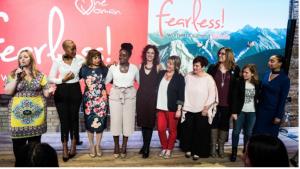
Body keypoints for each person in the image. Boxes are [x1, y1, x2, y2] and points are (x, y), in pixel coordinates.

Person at [4, 50, 54, 166]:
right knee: (18, 147)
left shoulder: (40, 75)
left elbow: (46, 94)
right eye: (20, 57)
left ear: (31, 59)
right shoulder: (13, 74)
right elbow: (8, 91)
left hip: (36, 117)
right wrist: (17, 78)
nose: (22, 59)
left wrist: (50, 91)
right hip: (18, 118)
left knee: (34, 147)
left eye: (25, 57)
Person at [48, 40, 85, 161]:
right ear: (64, 49)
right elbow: (50, 78)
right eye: (71, 49)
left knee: (74, 119)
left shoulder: (79, 59)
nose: (74, 51)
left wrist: (110, 65)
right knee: (64, 121)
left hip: (75, 91)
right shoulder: (58, 60)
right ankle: (64, 147)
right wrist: (62, 80)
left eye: (75, 48)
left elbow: (92, 63)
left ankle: (73, 146)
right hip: (61, 92)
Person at [105, 42, 139, 158]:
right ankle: (116, 146)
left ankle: (124, 146)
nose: (121, 57)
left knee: (128, 122)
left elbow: (140, 82)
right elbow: (106, 81)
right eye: (120, 55)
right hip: (115, 96)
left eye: (124, 55)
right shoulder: (113, 67)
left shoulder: (134, 68)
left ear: (129, 56)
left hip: (129, 96)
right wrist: (107, 67)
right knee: (115, 121)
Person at [180, 56, 218, 160]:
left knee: (200, 131)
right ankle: (188, 149)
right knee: (188, 130)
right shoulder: (188, 76)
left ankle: (198, 151)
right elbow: (182, 91)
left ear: (203, 67)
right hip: (188, 108)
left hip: (202, 109)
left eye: (197, 66)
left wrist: (206, 108)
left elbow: (212, 95)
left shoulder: (208, 78)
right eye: (194, 65)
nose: (194, 67)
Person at [207, 47, 240, 158]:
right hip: (214, 103)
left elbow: (236, 91)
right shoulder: (212, 68)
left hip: (227, 103)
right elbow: (207, 85)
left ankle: (220, 147)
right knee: (213, 123)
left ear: (229, 56)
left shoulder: (235, 69)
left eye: (222, 54)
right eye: (219, 53)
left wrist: (234, 109)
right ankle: (212, 147)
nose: (220, 55)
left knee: (224, 124)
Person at [79, 49, 108, 158]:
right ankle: (91, 145)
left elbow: (112, 79)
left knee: (100, 123)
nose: (98, 59)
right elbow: (75, 78)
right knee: (89, 124)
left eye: (99, 57)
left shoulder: (104, 69)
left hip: (102, 101)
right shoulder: (84, 69)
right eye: (95, 57)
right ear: (90, 58)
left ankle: (98, 145)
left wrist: (113, 66)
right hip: (89, 101)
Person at [253, 55, 290, 137]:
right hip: (261, 110)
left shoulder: (284, 79)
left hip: (273, 113)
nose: (269, 63)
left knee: (270, 137)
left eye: (272, 61)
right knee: (257, 134)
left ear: (280, 63)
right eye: (269, 60)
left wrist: (278, 116)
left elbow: (282, 99)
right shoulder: (266, 74)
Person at [230, 64, 260, 162]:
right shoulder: (238, 82)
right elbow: (234, 98)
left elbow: (258, 97)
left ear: (252, 73)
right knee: (236, 132)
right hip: (240, 112)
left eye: (246, 72)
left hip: (252, 112)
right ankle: (234, 152)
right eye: (243, 72)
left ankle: (246, 150)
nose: (244, 74)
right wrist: (234, 112)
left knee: (248, 133)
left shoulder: (258, 83)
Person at [156, 55, 185, 159]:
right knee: (160, 129)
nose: (168, 65)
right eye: (168, 63)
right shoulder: (161, 74)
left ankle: (169, 149)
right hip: (160, 107)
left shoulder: (179, 77)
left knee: (172, 130)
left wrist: (179, 109)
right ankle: (164, 147)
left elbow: (181, 95)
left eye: (171, 64)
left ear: (176, 66)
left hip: (172, 108)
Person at [136, 44, 162, 158]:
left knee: (150, 123)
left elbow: (166, 80)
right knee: (143, 123)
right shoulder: (139, 66)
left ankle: (146, 147)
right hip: (141, 97)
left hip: (152, 98)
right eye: (148, 52)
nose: (150, 55)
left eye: (152, 53)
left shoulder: (158, 67)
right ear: (145, 54)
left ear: (155, 55)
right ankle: (145, 144)